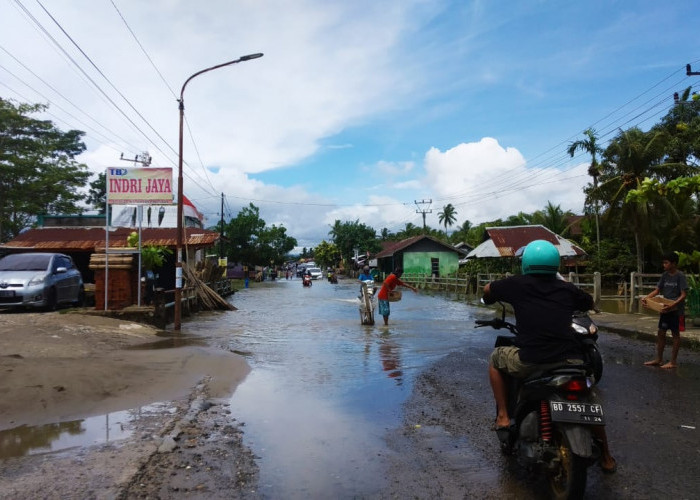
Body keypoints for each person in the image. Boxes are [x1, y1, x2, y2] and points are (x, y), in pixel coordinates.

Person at [482, 239, 616, 474]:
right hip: (571, 360)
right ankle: (606, 457)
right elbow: (588, 302)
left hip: (532, 359)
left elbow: (488, 291)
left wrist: (490, 295)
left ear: (526, 263)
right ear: (555, 264)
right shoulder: (566, 288)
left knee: (495, 358)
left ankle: (503, 416)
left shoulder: (516, 284)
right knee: (589, 402)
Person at [642, 252, 688, 369]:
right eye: (663, 263)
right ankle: (659, 359)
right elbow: (657, 290)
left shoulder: (680, 276)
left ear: (674, 264)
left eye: (666, 263)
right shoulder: (665, 275)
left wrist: (673, 304)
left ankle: (673, 362)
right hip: (665, 309)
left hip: (676, 311)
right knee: (661, 332)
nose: (664, 265)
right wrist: (646, 298)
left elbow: (683, 295)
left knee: (675, 334)